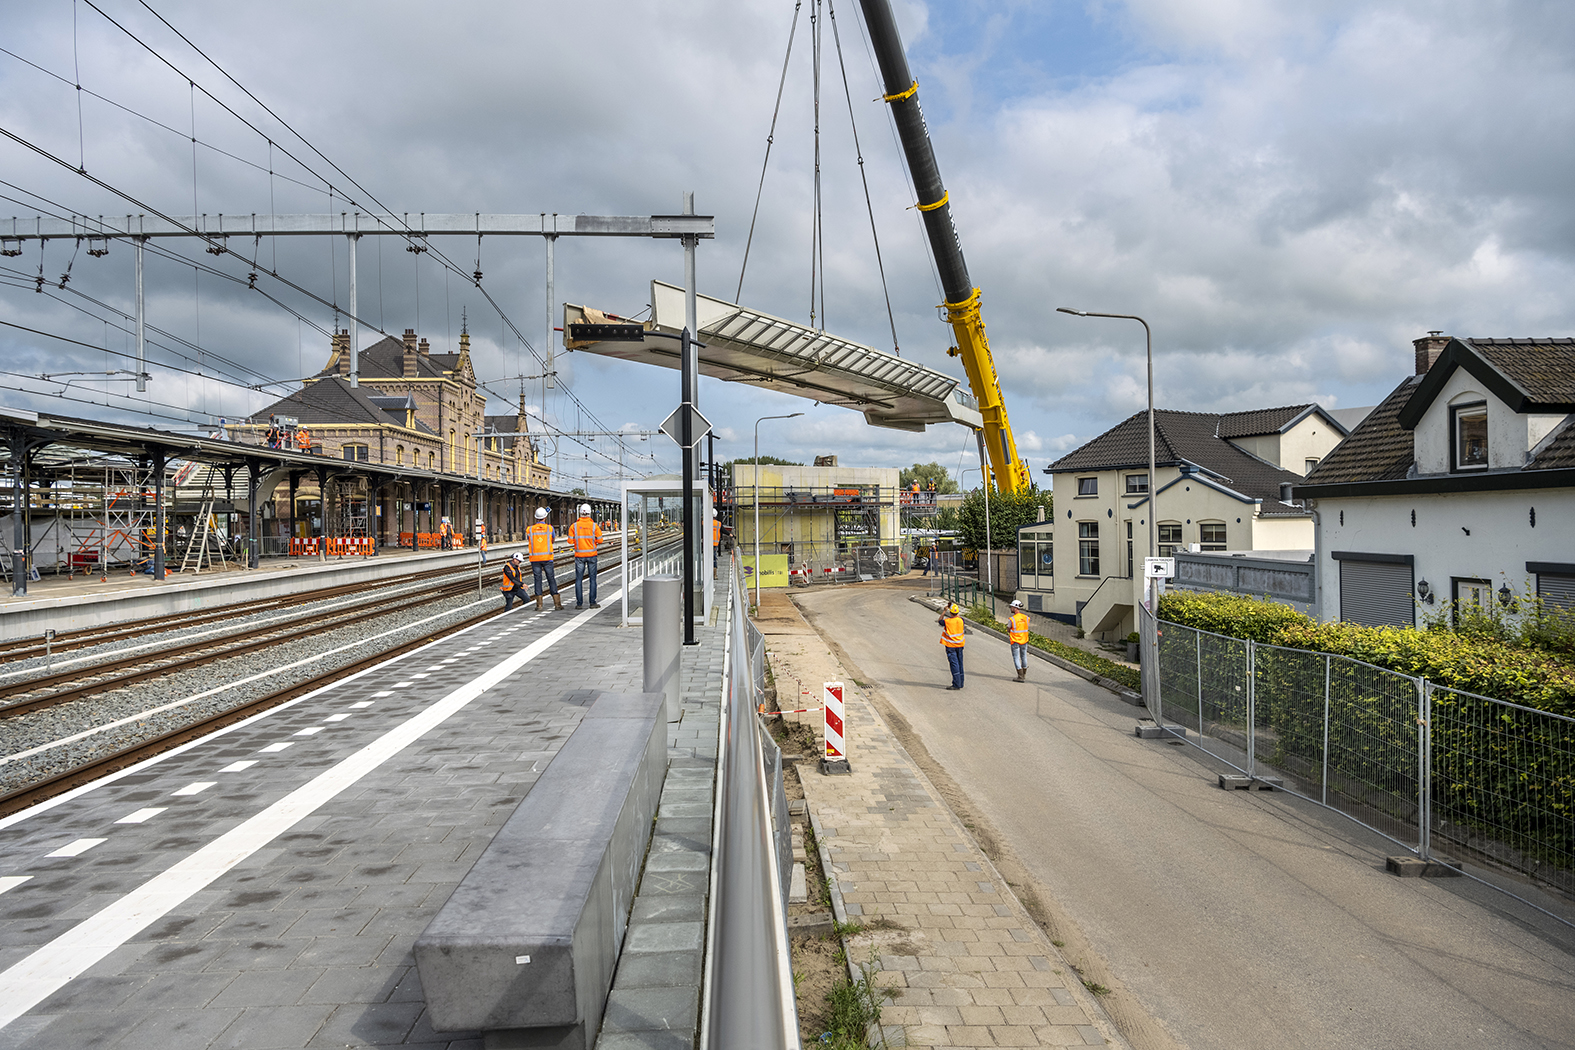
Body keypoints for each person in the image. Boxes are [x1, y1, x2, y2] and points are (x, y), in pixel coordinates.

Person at [527, 507, 562, 611]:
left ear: (536, 517)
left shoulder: (530, 529)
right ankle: (557, 604)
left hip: (535, 559)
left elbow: (529, 539)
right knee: (551, 579)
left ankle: (539, 605)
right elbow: (553, 540)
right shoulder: (550, 528)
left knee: (537, 580)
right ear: (545, 517)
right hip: (547, 558)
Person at [568, 503, 601, 609]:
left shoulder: (574, 526)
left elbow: (570, 541)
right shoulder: (594, 526)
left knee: (578, 579)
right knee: (592, 579)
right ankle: (592, 602)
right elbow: (600, 540)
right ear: (590, 513)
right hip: (592, 555)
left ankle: (579, 604)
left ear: (580, 513)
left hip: (579, 556)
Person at [939, 601, 965, 689]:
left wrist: (944, 611)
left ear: (950, 613)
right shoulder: (961, 620)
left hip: (951, 646)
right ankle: (961, 683)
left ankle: (956, 684)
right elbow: (958, 616)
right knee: (960, 664)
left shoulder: (947, 621)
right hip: (960, 645)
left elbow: (940, 621)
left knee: (954, 665)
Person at [1008, 599, 1031, 682]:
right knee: (1024, 656)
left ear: (1015, 608)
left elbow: (1008, 628)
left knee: (1016, 657)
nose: (1010, 608)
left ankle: (1020, 676)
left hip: (1015, 641)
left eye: (1011, 607)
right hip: (1024, 640)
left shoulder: (1012, 619)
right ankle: (1024, 674)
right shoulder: (1026, 618)